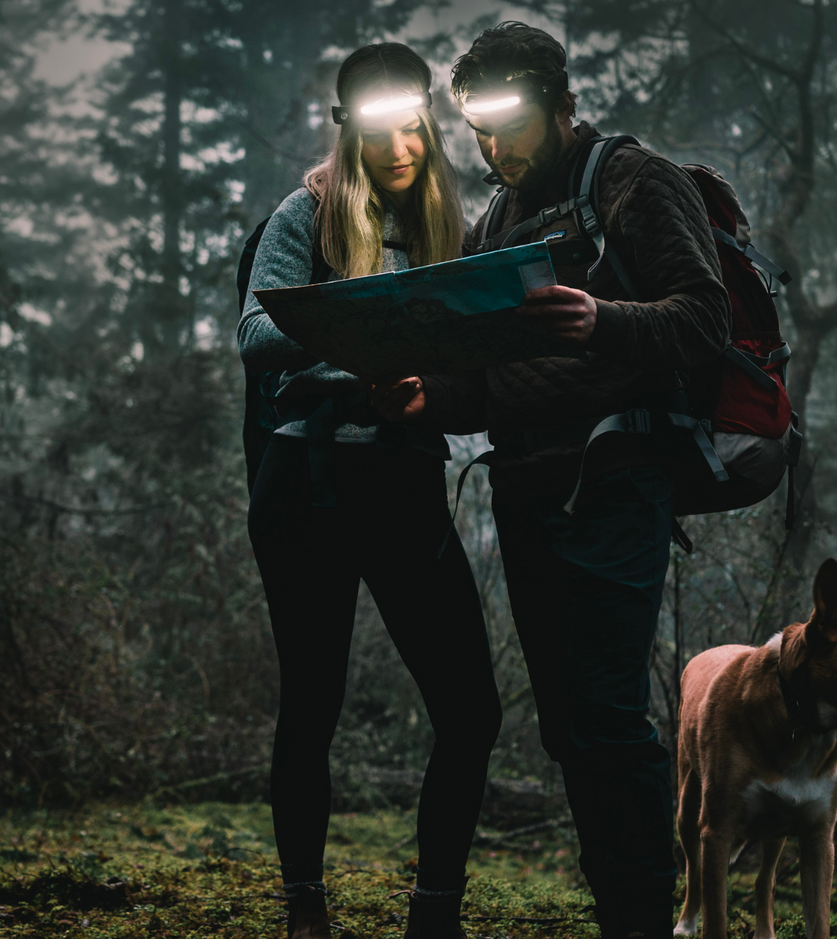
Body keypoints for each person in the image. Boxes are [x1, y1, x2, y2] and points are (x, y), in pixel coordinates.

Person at [372, 22, 731, 939]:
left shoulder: (631, 180)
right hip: (524, 493)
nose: (493, 148)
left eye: (509, 123)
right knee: (569, 731)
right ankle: (623, 910)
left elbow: (703, 321)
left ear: (563, 103)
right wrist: (429, 396)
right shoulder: (496, 220)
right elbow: (486, 374)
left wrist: (603, 320)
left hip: (615, 480)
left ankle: (648, 920)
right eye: (477, 130)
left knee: (608, 720)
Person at [236, 43, 502, 939]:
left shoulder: (444, 229)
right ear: (352, 132)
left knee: (471, 706)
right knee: (313, 699)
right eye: (384, 132)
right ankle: (306, 910)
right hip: (307, 483)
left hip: (403, 484)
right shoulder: (304, 214)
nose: (404, 148)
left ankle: (435, 914)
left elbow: (474, 342)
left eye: (416, 131)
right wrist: (354, 336)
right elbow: (253, 333)